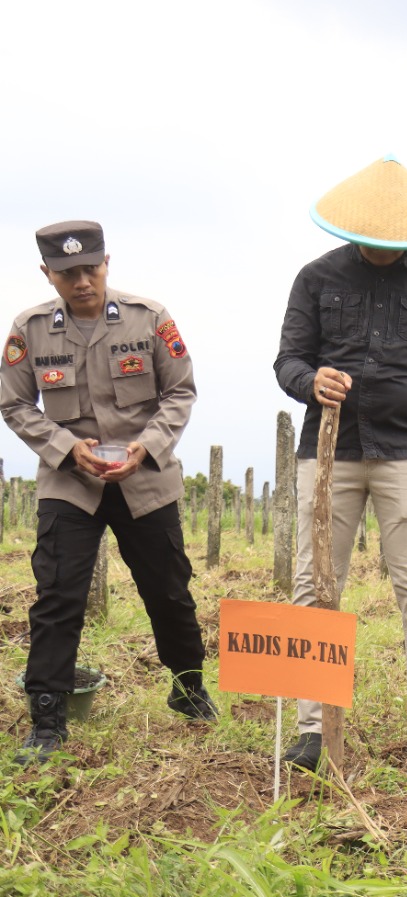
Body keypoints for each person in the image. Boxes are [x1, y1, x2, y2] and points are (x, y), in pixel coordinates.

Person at [273, 157, 407, 769]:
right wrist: (312, 381)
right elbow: (287, 361)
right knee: (315, 584)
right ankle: (314, 728)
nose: (383, 248)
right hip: (331, 451)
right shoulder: (316, 278)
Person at [1, 221, 213, 765]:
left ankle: (189, 687)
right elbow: (15, 405)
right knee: (58, 595)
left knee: (168, 589)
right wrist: (67, 447)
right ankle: (47, 715)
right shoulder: (30, 329)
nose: (81, 282)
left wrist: (148, 445)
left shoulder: (150, 319)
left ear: (107, 263)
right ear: (47, 274)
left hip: (145, 477)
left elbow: (180, 390)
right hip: (71, 481)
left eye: (89, 269)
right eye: (67, 273)